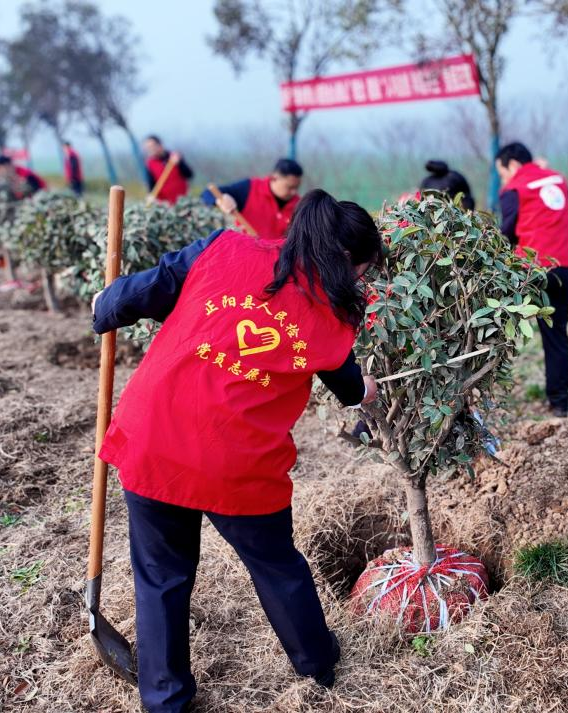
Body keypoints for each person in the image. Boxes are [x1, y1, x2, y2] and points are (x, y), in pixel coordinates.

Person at [91, 189, 381, 712]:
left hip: (154, 437)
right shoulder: (333, 315)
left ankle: (166, 699)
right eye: (363, 271)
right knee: (275, 564)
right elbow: (348, 385)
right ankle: (318, 664)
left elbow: (141, 292)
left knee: (161, 577)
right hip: (236, 462)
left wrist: (104, 305)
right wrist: (365, 391)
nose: (360, 283)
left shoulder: (221, 248)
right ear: (343, 260)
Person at [496, 142, 568, 417]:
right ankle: (559, 404)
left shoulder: (514, 188)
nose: (504, 179)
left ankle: (481, 399)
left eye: (502, 172)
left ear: (513, 164)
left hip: (532, 270)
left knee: (495, 326)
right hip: (565, 268)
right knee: (556, 336)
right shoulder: (558, 179)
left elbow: (505, 233)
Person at [201, 158, 302, 240]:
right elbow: (207, 193)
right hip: (245, 253)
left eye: (296, 188)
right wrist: (221, 200)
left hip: (278, 260)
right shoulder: (249, 188)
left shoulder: (299, 205)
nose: (293, 192)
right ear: (274, 178)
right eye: (289, 187)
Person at [142, 135, 194, 204]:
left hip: (182, 201)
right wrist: (151, 196)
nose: (150, 150)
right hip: (164, 204)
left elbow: (189, 174)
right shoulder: (149, 164)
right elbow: (151, 184)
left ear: (160, 145)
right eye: (148, 148)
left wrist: (180, 163)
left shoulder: (174, 157)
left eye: (152, 146)